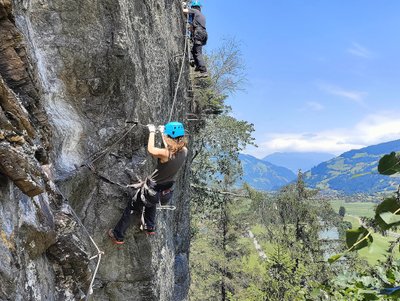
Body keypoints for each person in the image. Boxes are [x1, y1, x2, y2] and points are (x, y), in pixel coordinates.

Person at [108, 122, 188, 244]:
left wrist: (152, 132)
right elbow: (171, 147)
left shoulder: (165, 154)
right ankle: (149, 226)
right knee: (152, 202)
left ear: (169, 137)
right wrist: (162, 133)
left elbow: (151, 150)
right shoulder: (184, 151)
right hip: (165, 192)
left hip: (152, 190)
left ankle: (118, 235)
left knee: (133, 205)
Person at [182, 1, 208, 74]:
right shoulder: (200, 15)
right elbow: (192, 25)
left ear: (193, 7)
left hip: (199, 33)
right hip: (203, 34)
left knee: (197, 52)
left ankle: (203, 70)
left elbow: (184, 11)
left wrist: (183, 6)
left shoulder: (195, 11)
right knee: (194, 50)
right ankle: (197, 65)